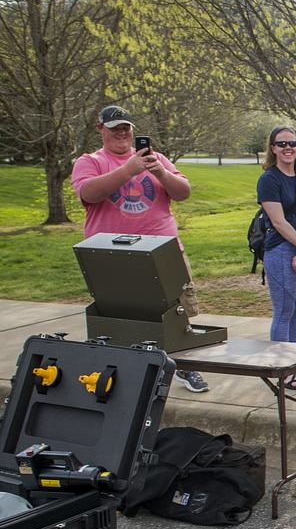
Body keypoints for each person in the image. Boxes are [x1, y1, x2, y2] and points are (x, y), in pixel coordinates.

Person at [71, 104, 209, 394]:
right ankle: (126, 379)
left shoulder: (156, 158)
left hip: (164, 251)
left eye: (126, 127)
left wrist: (160, 172)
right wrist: (127, 170)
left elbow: (183, 192)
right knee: (122, 318)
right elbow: (88, 193)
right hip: (113, 255)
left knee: (177, 313)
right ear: (101, 130)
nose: (121, 132)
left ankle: (183, 368)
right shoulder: (90, 161)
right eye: (114, 128)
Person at [256, 126, 296, 389]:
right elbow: (279, 222)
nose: (287, 148)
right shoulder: (269, 179)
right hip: (282, 251)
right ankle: (283, 371)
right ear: (272, 148)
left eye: (292, 143)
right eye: (281, 144)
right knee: (283, 311)